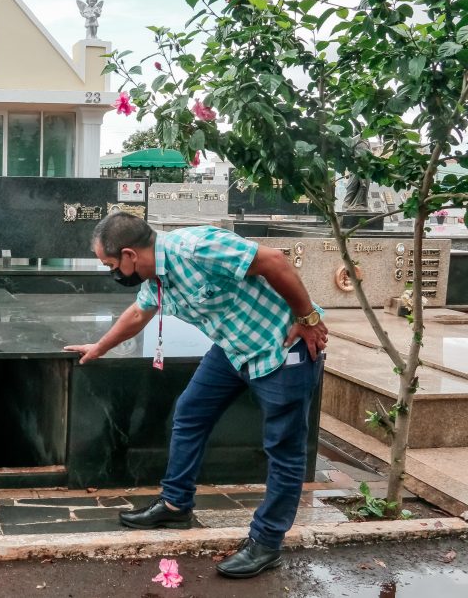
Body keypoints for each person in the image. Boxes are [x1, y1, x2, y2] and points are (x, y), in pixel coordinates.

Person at [64, 213, 328, 579]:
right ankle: (176, 504)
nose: (113, 273)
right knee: (189, 412)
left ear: (130, 255)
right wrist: (99, 347)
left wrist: (308, 317)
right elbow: (139, 314)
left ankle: (267, 542)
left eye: (111, 265)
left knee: (283, 448)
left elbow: (274, 261)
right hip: (233, 349)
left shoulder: (197, 247)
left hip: (281, 348)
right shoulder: (156, 276)